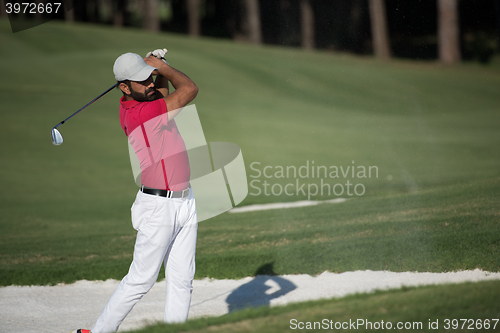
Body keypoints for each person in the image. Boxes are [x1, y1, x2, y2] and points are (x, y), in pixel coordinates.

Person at [72, 50, 199, 333]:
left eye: (149, 77)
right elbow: (190, 89)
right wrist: (163, 67)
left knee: (182, 279)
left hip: (184, 202)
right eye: (142, 80)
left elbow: (160, 92)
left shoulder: (145, 100)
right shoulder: (141, 114)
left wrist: (153, 67)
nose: (150, 83)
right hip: (158, 207)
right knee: (141, 279)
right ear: (124, 87)